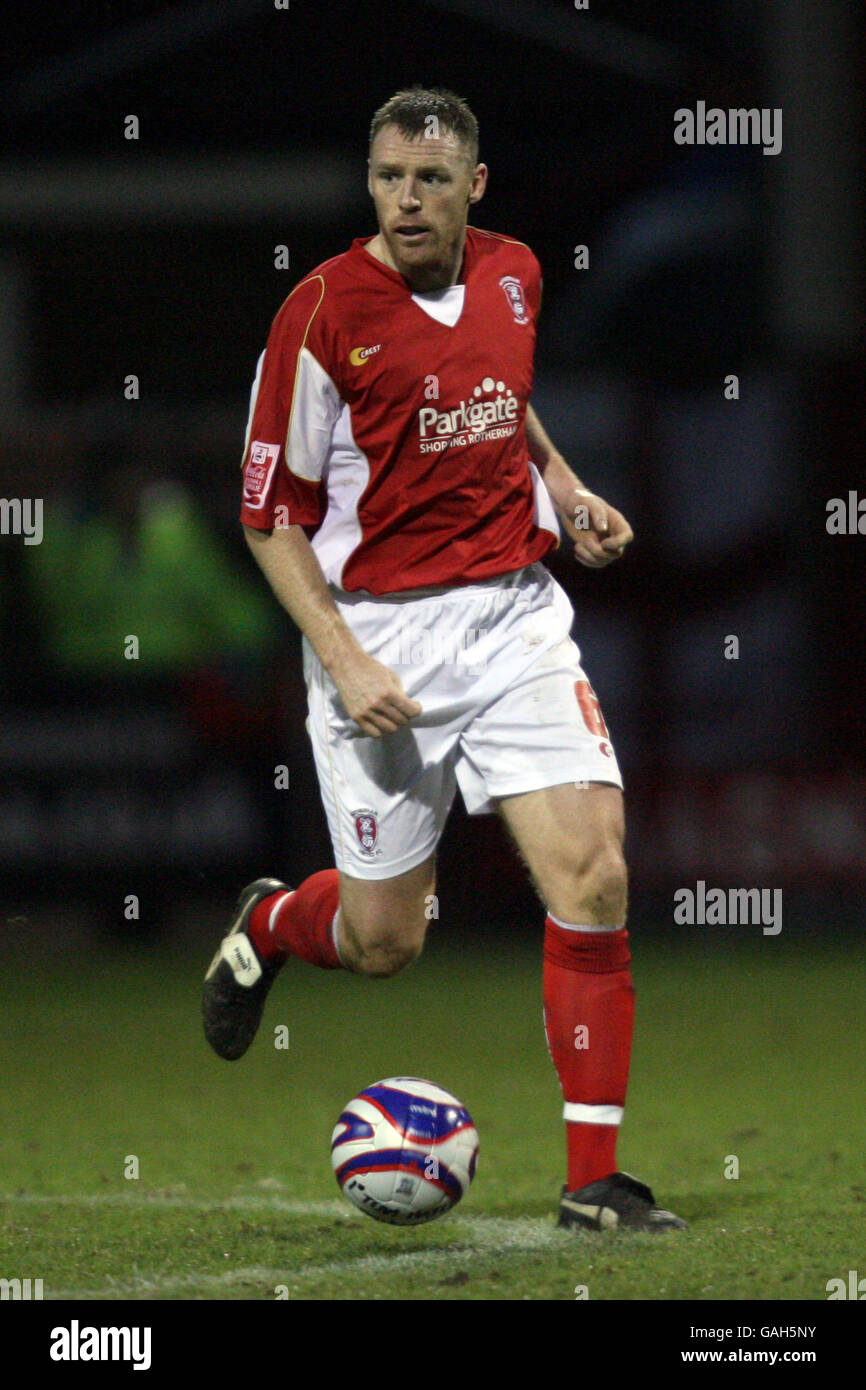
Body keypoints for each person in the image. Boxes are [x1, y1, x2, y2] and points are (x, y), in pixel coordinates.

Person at [203, 87, 685, 1233]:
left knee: (597, 875)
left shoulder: (516, 270)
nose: (403, 199)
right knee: (384, 943)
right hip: (379, 640)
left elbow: (498, 396)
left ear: (474, 187)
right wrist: (342, 659)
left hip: (513, 615)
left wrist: (559, 487)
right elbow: (267, 515)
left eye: (427, 179)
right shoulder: (319, 314)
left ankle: (593, 1182)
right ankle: (272, 923)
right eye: (384, 177)